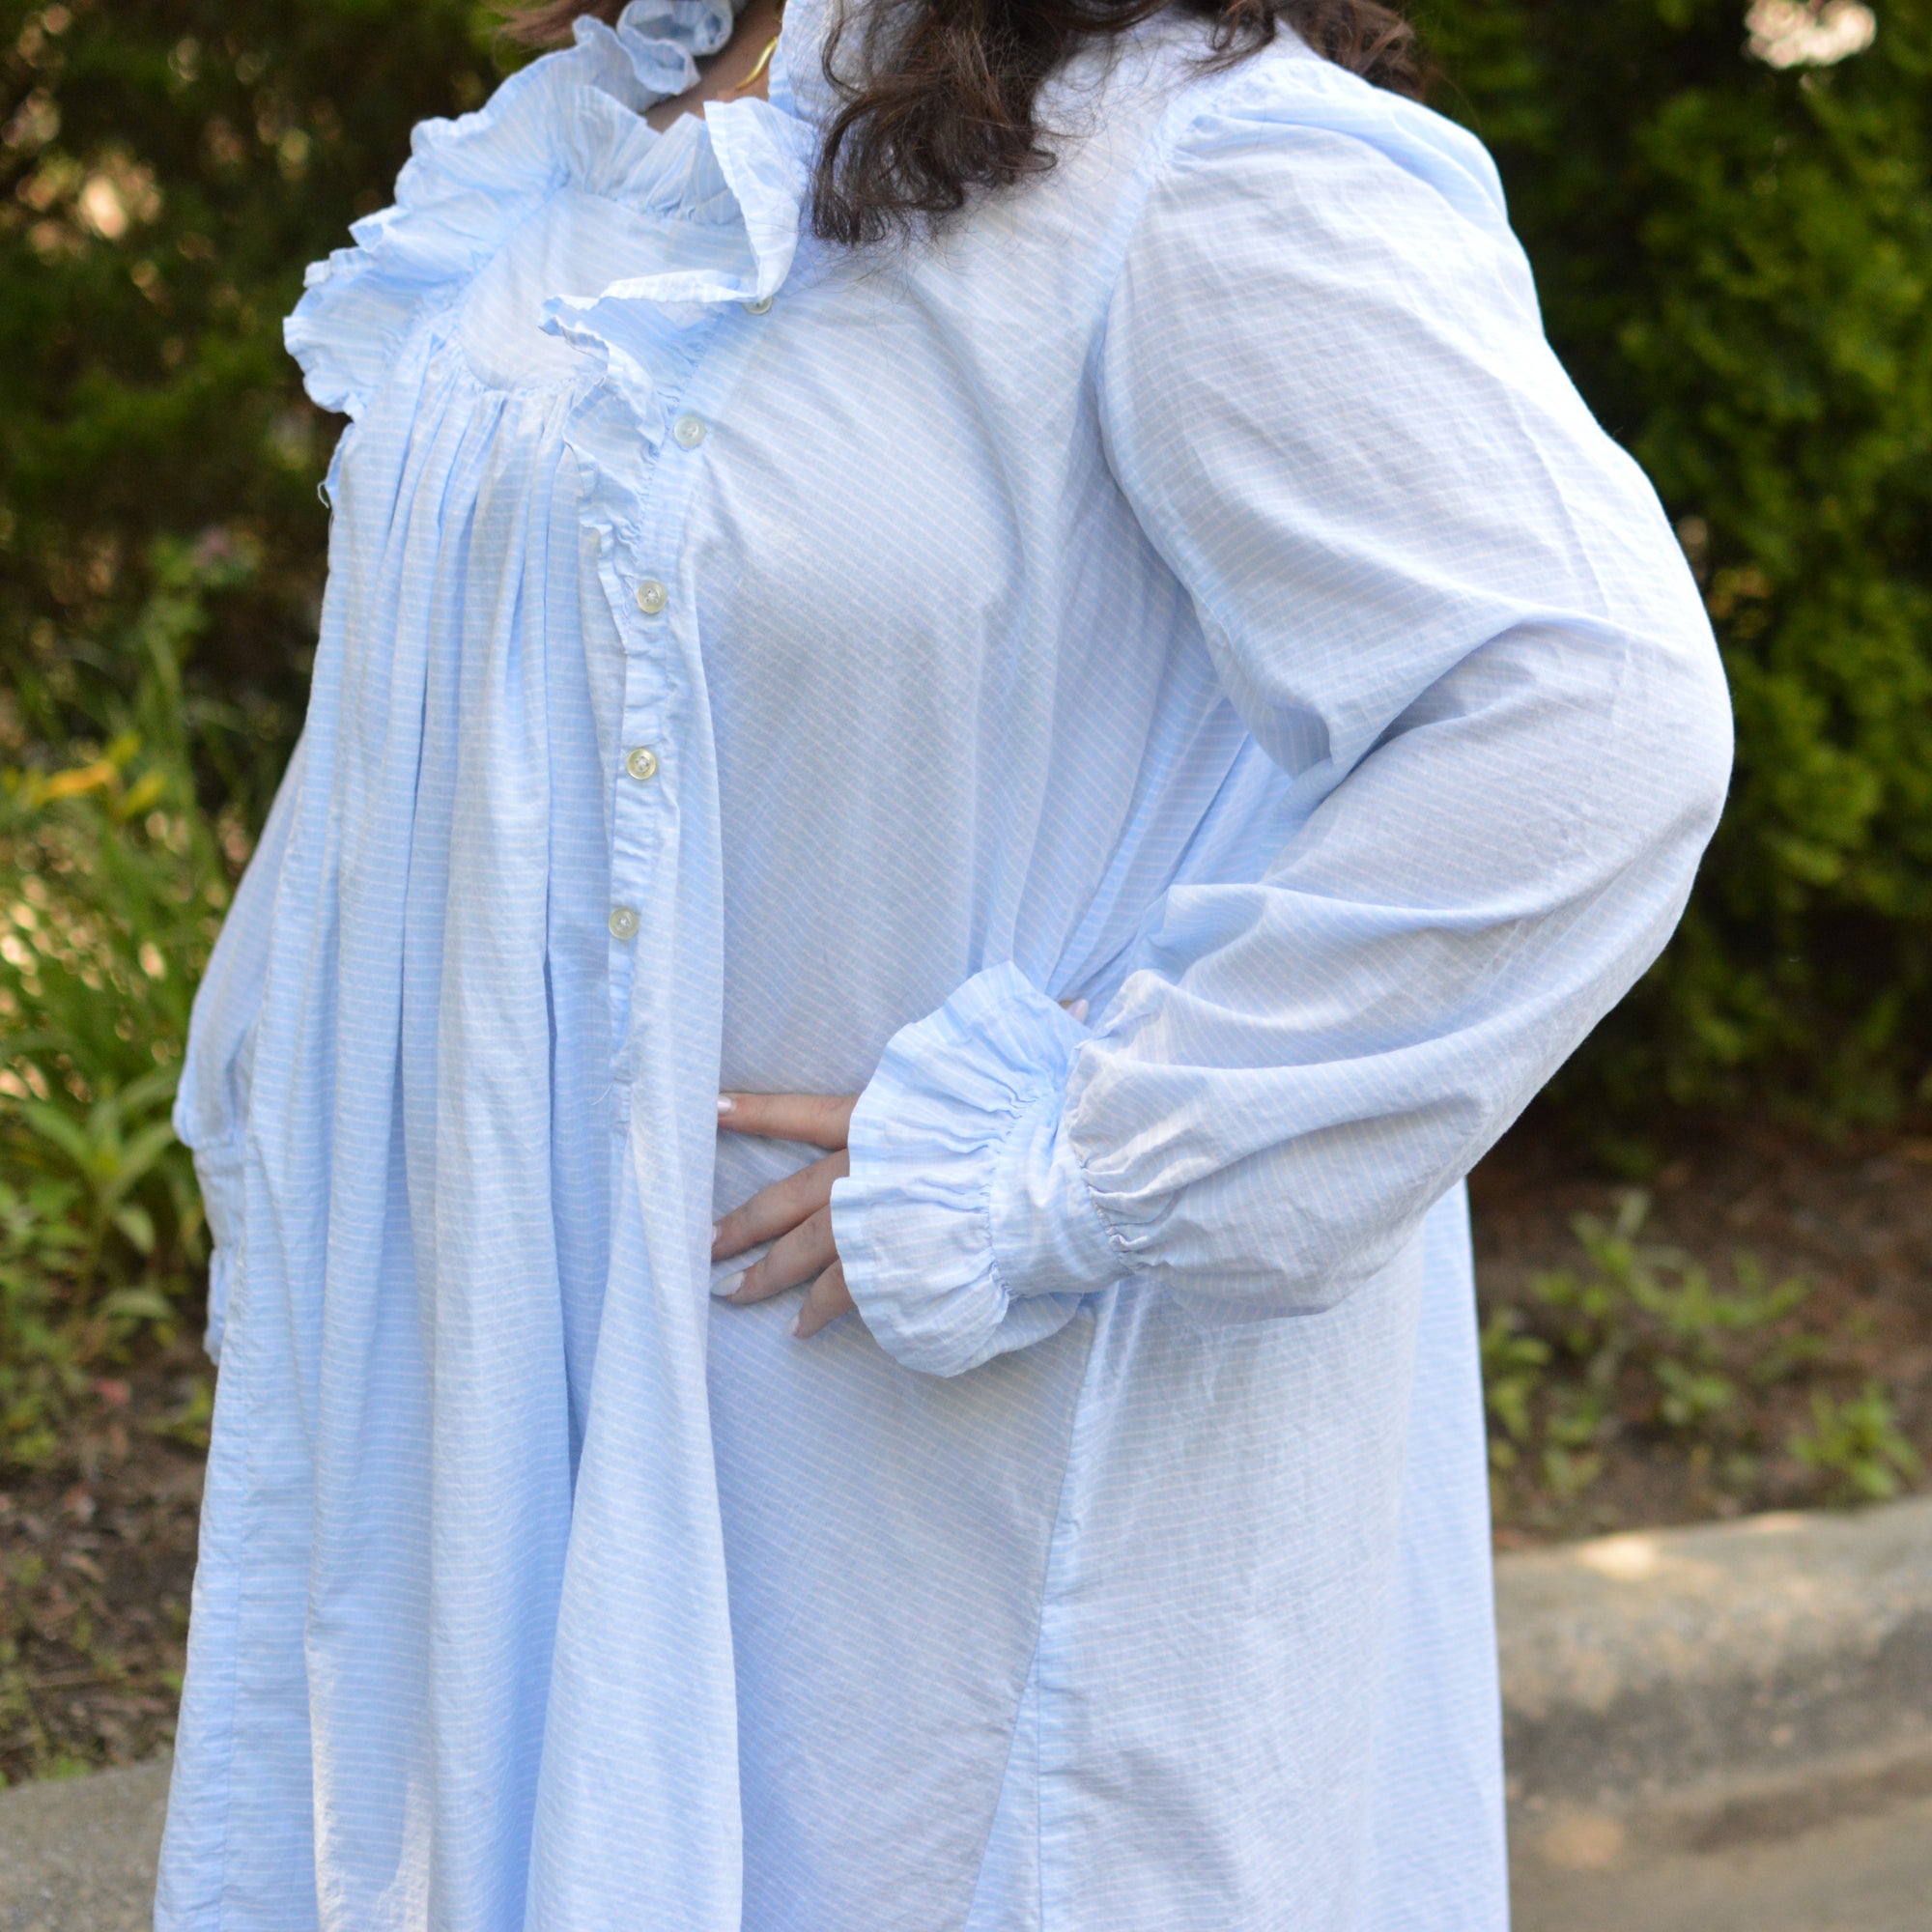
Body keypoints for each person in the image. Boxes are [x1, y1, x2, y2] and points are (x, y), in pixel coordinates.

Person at [156, 0, 1732, 1925]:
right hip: (518, 1428)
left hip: (916, 1476)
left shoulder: (1183, 162)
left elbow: (1584, 717)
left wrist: (1068, 1155)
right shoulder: (601, 126)